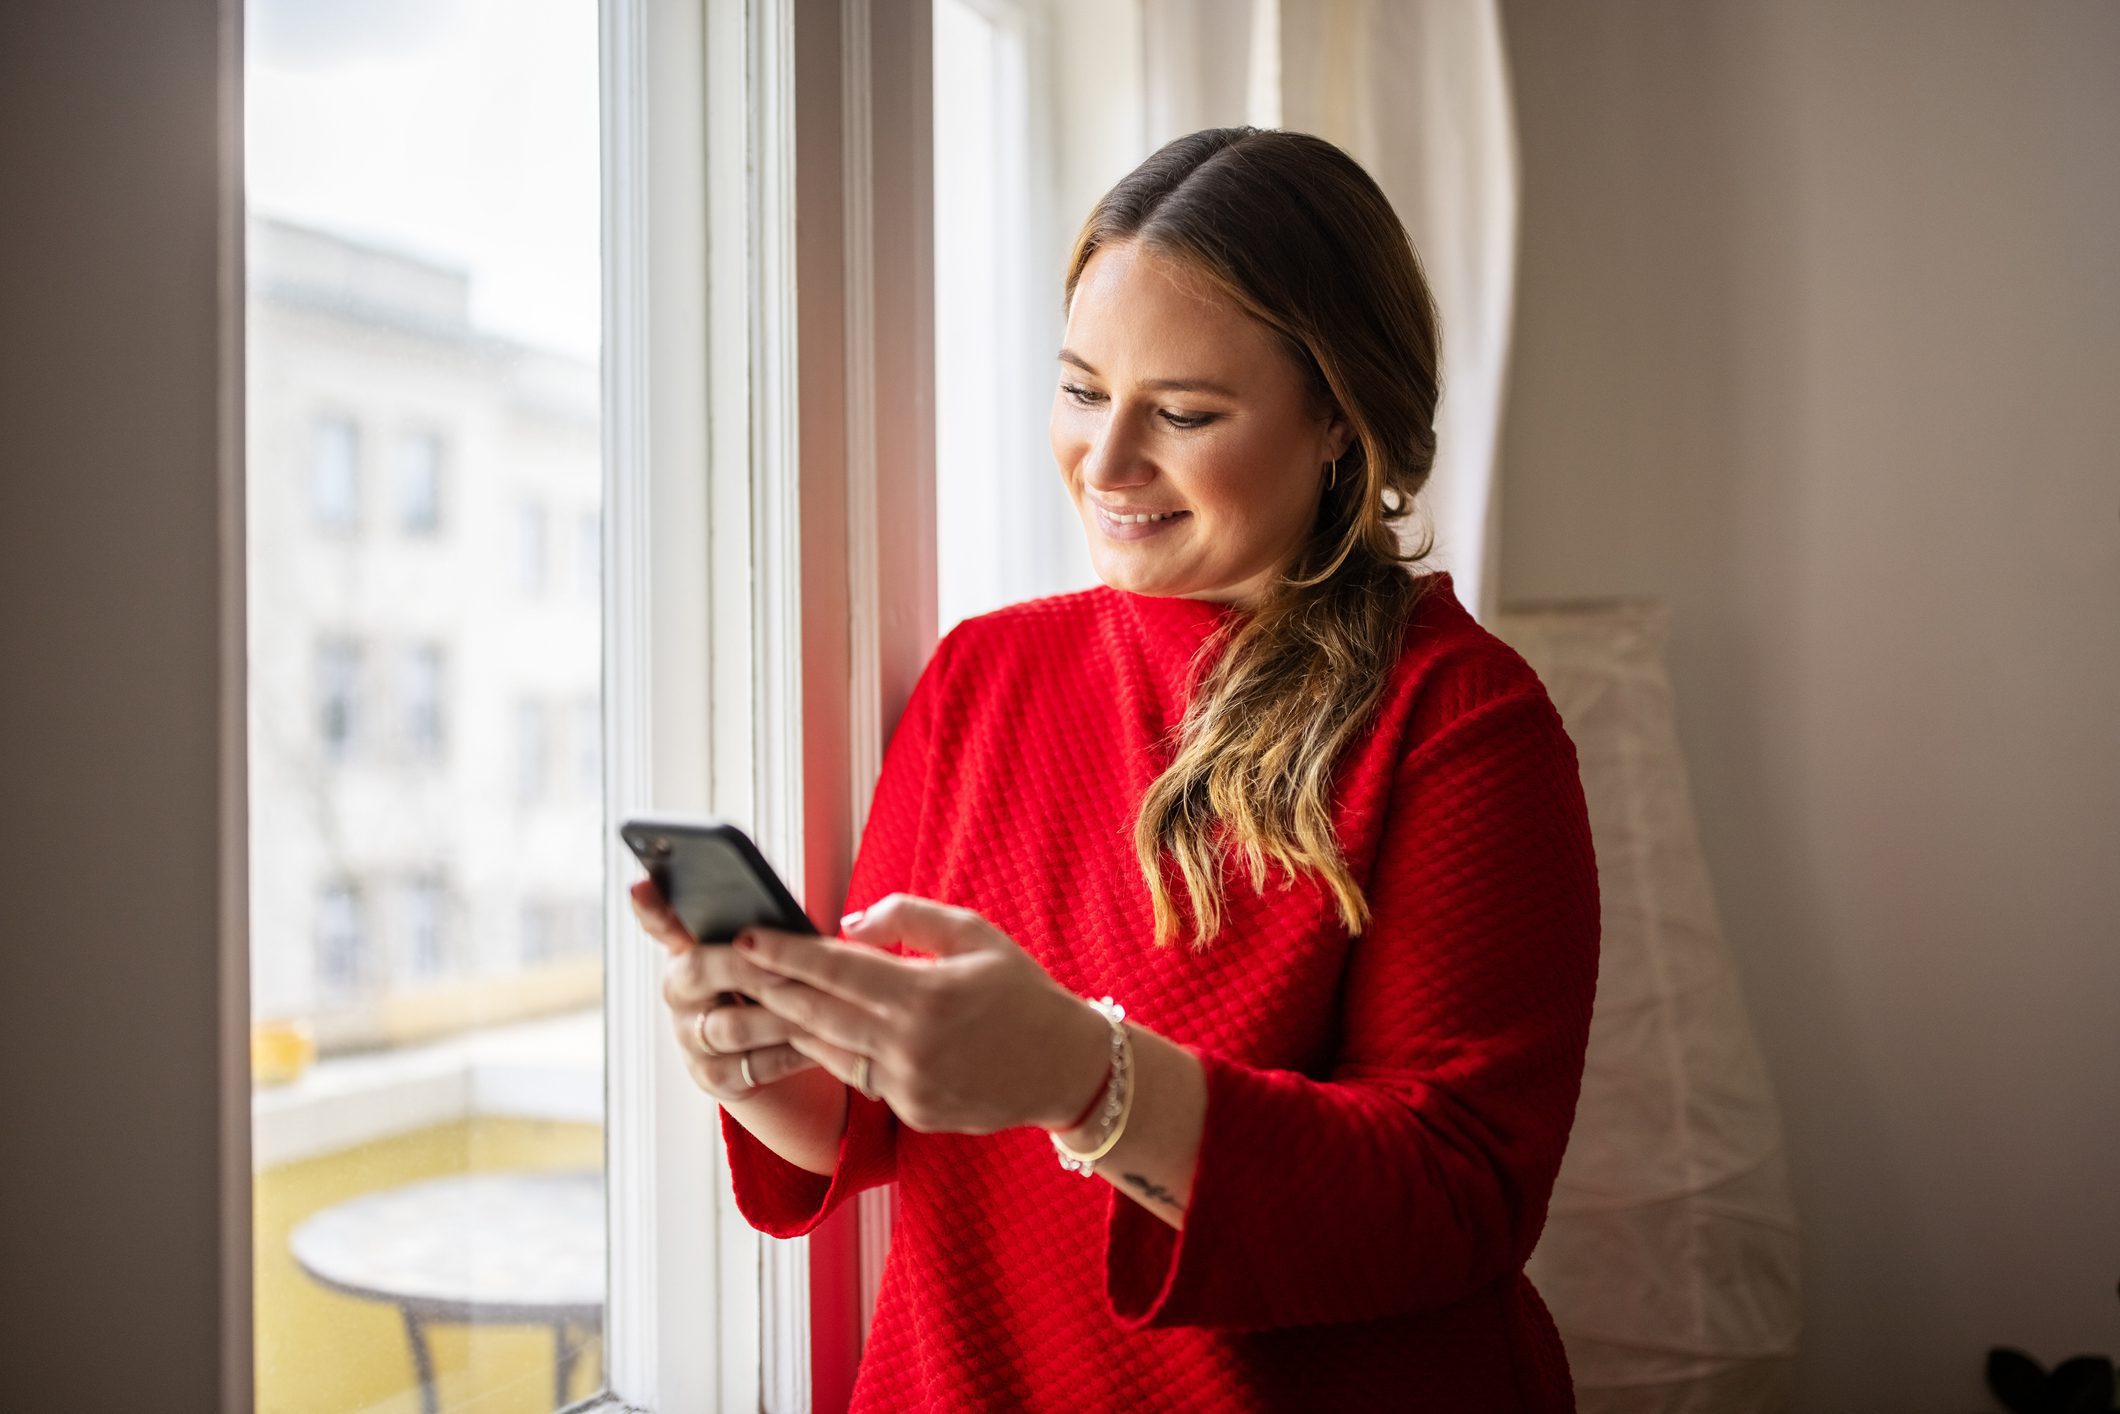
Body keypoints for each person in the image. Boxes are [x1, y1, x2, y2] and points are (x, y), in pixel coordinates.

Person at [632, 126, 1601, 1412]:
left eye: (1184, 412)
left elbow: (1457, 1197)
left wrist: (1091, 1080)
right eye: (1082, 389)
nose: (1103, 462)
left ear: (1338, 422)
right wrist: (755, 1055)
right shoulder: (983, 673)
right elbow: (878, 1124)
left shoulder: (1463, 720)